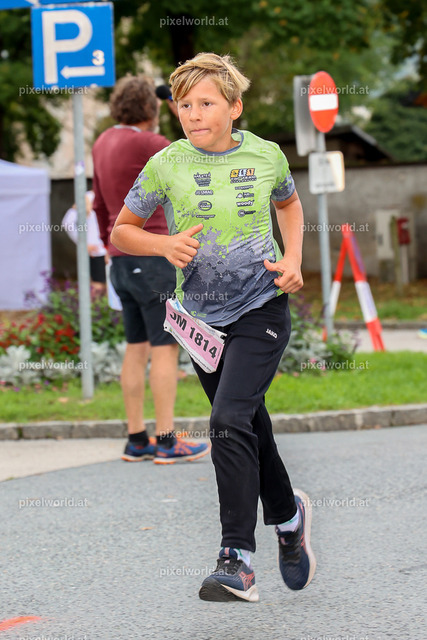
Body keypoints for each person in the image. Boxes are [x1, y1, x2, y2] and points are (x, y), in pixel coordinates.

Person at [111, 53, 316, 601]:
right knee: (249, 423)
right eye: (184, 105)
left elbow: (290, 206)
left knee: (226, 419)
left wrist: (293, 257)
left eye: (206, 103)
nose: (193, 114)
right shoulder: (166, 163)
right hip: (201, 321)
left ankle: (236, 559)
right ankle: (289, 518)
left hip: (262, 305)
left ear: (235, 107)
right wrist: (163, 244)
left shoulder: (266, 155)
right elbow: (122, 230)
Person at [92, 74, 210, 464]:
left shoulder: (102, 142)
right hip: (153, 254)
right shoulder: (148, 142)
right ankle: (167, 441)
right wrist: (182, 110)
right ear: (151, 108)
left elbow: (99, 206)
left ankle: (136, 438)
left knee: (135, 346)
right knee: (164, 348)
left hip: (120, 258)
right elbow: (194, 149)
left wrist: (110, 246)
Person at [62, 190, 107, 297]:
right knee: (98, 285)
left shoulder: (106, 193)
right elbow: (68, 223)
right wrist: (83, 244)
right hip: (97, 250)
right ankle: (95, 307)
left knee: (108, 285)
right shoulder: (89, 197)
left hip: (109, 250)